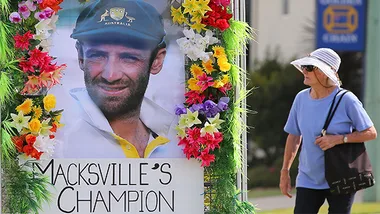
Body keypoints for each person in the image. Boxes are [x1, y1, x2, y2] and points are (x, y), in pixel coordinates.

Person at [56, 0, 185, 158]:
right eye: (97, 56)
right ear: (81, 57)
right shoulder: (53, 141)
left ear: (156, 61)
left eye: (129, 58)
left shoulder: (182, 138)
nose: (111, 76)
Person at [279, 48, 377, 214]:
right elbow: (294, 136)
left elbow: (370, 132)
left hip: (341, 177)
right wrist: (285, 171)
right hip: (307, 179)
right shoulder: (300, 99)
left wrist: (338, 139)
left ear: (325, 72)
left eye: (310, 68)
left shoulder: (347, 99)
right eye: (304, 66)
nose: (304, 71)